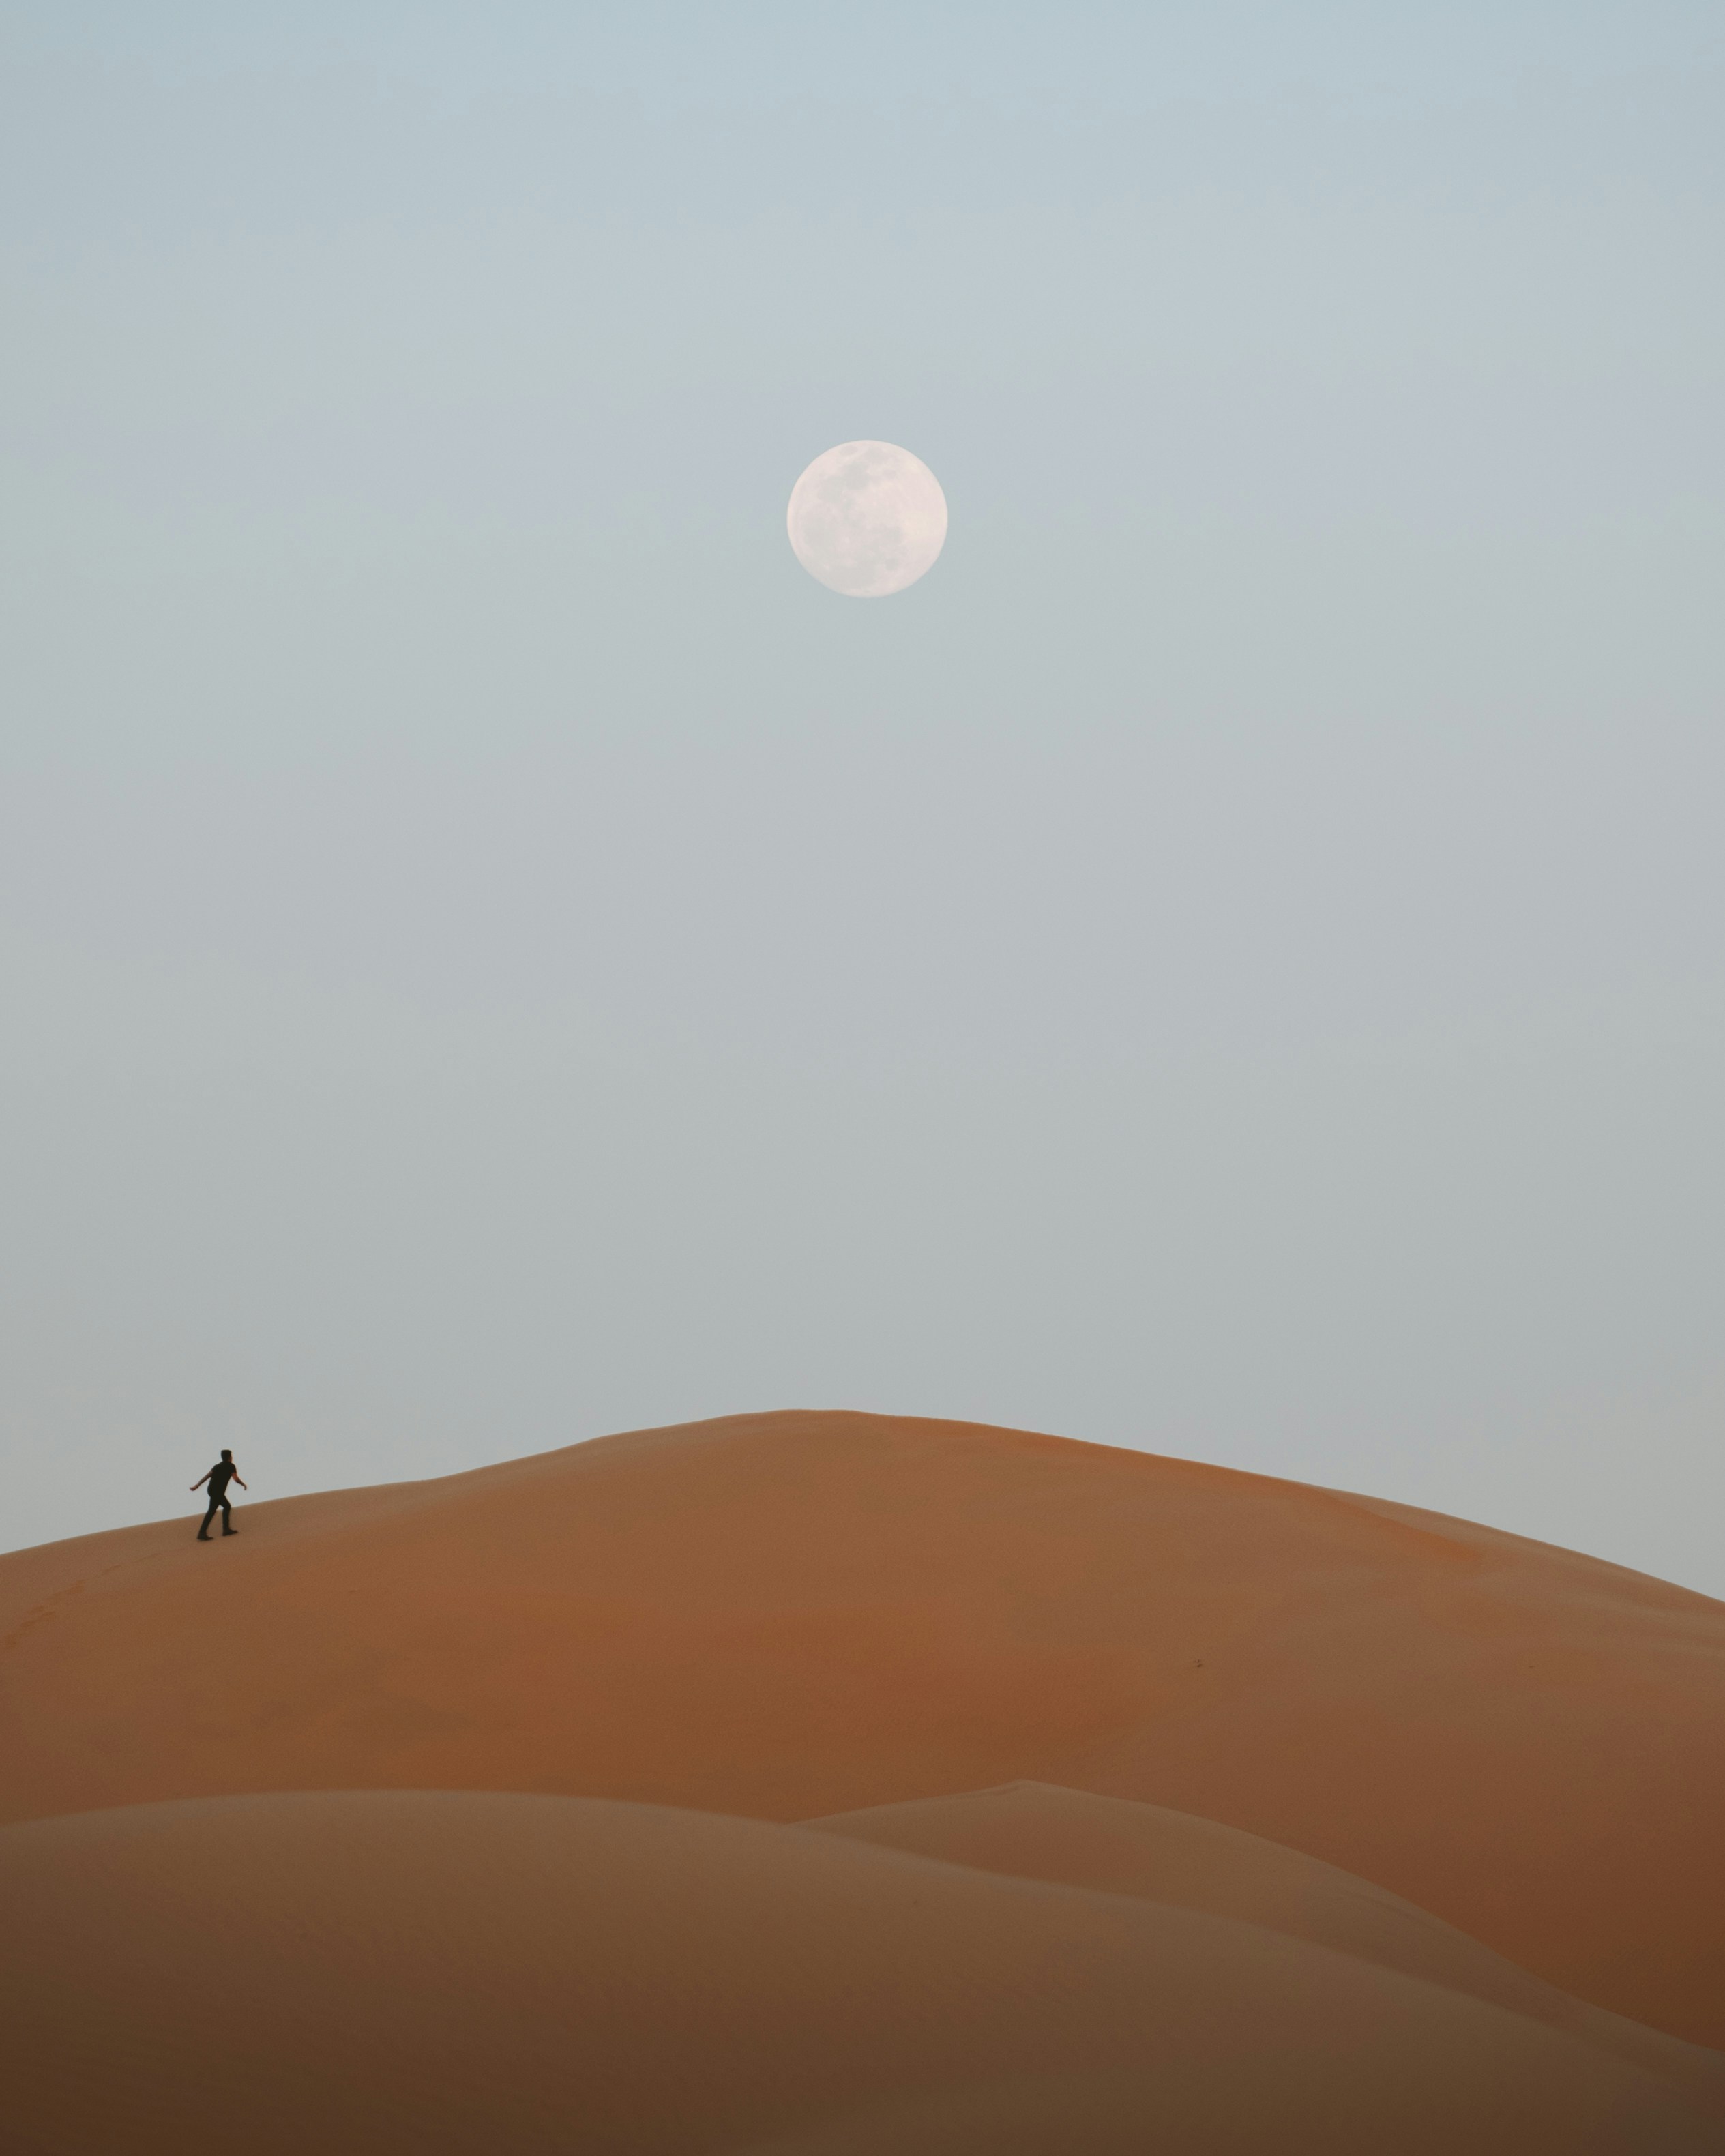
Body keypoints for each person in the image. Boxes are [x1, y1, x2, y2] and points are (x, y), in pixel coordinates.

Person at [191, 1449, 248, 1540]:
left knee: (213, 1511)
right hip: (217, 1492)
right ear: (230, 1457)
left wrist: (197, 1486)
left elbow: (207, 1476)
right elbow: (236, 1478)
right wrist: (243, 1484)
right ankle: (225, 1529)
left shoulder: (217, 1466)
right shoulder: (231, 1466)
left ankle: (203, 1533)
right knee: (227, 1506)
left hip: (212, 1490)